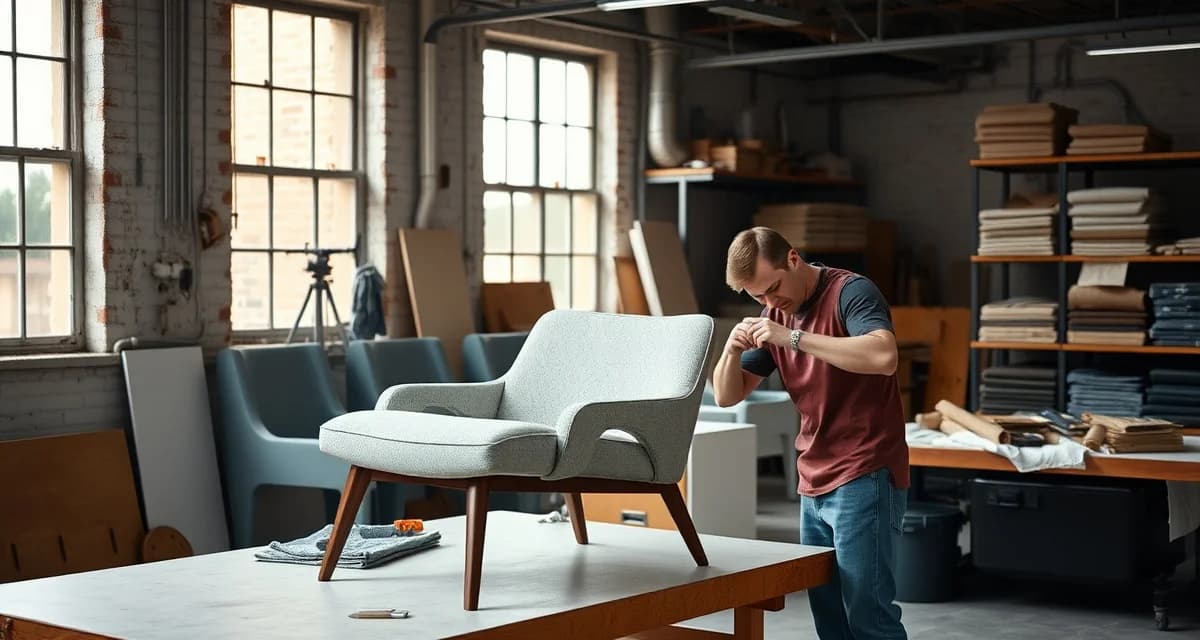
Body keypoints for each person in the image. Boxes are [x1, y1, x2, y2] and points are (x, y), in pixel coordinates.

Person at [713, 226, 909, 640]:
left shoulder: (851, 292)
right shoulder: (773, 315)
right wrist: (730, 350)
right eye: (758, 297)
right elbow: (728, 395)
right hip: (813, 479)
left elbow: (883, 355)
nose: (770, 303)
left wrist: (793, 338)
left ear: (793, 259)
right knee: (828, 617)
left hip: (865, 470)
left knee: (869, 617)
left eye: (773, 289)